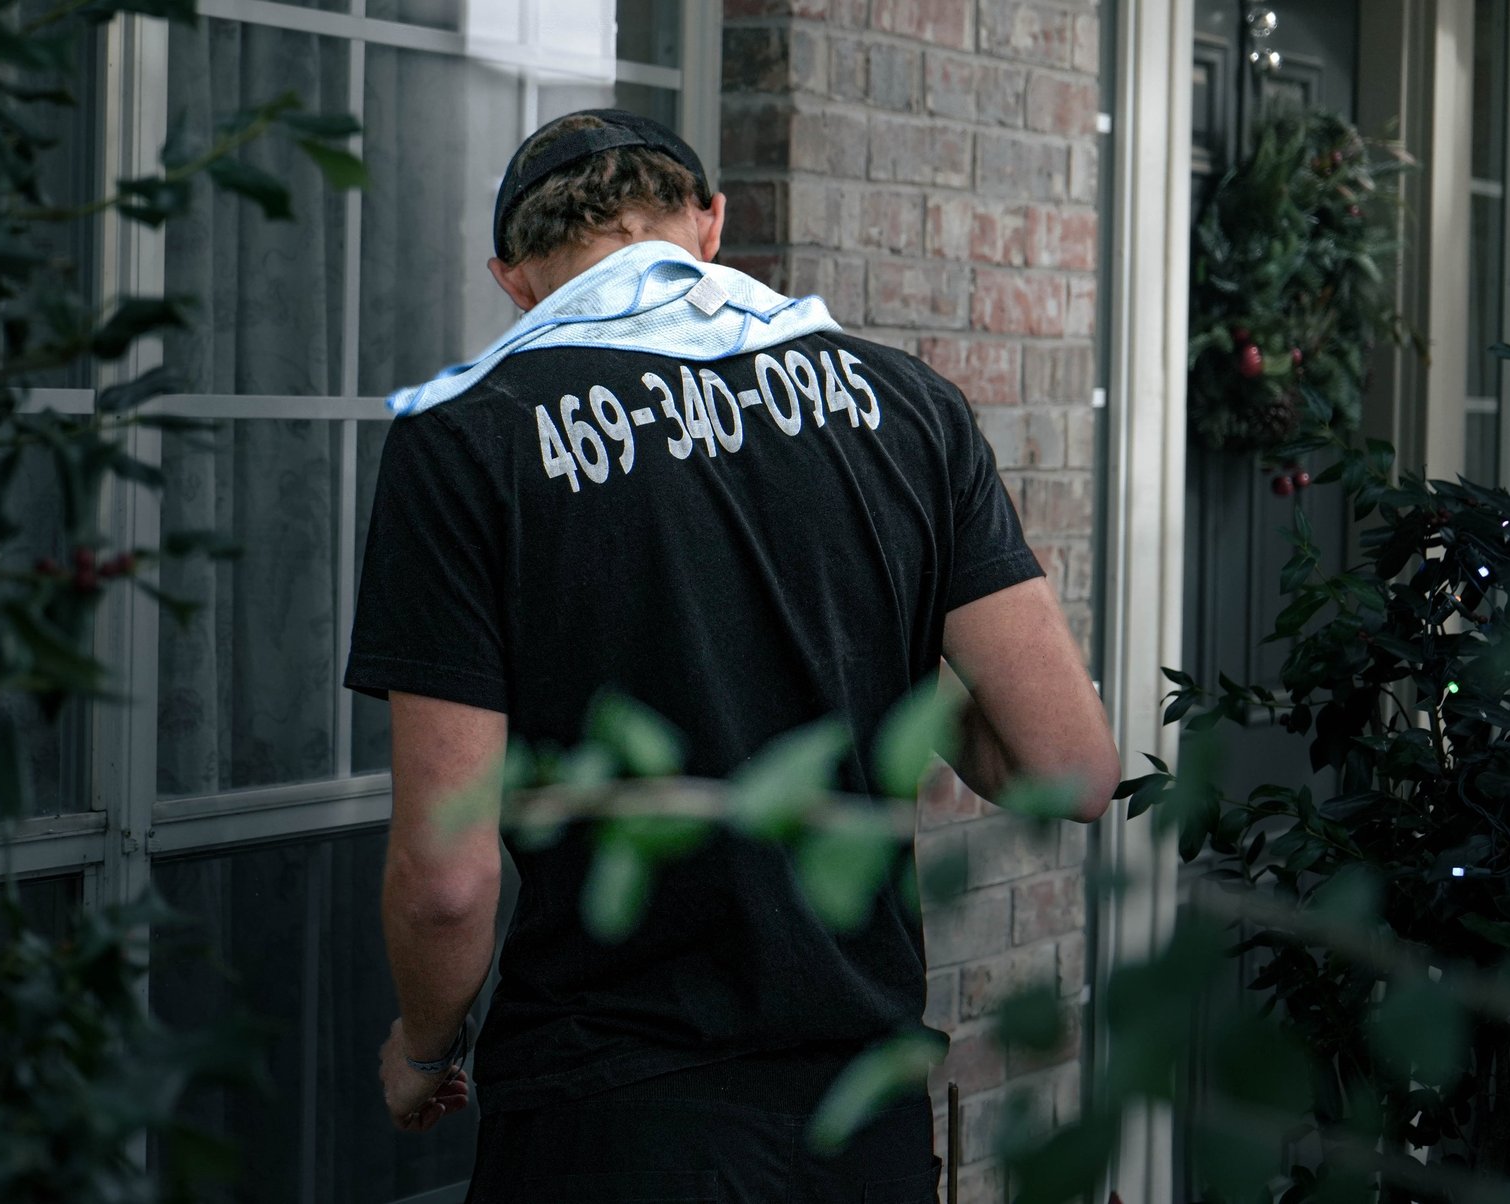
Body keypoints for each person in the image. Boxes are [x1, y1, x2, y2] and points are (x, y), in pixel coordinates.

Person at [347, 108, 1120, 1203]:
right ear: (709, 225)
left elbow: (447, 878)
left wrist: (422, 1051)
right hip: (861, 1118)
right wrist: (865, 617)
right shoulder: (910, 407)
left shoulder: (470, 438)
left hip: (610, 1120)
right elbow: (1072, 769)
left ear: (514, 278)